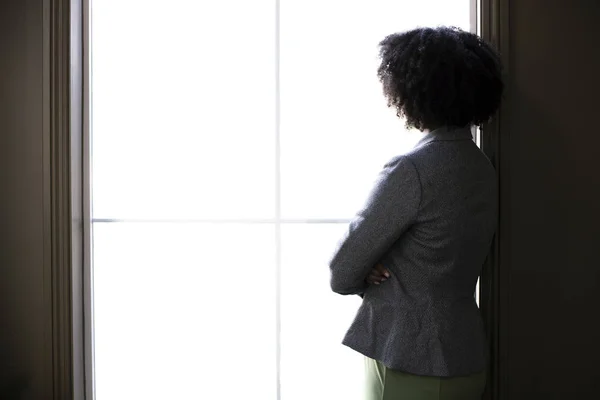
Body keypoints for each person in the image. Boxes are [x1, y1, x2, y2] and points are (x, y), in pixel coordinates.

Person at [329, 26, 503, 400]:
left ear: (411, 92)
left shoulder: (413, 170)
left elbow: (343, 271)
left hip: (407, 357)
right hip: (465, 356)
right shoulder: (481, 166)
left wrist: (370, 268)